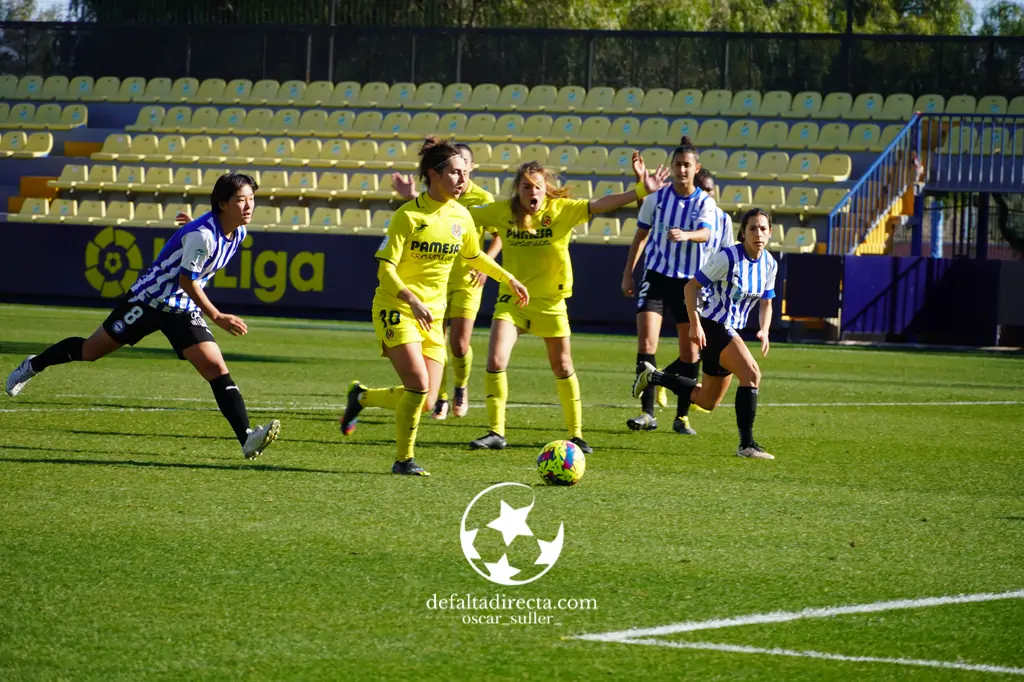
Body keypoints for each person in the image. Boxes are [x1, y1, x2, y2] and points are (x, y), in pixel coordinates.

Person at [4, 173, 281, 459]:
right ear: (222, 204)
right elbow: (188, 280)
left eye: (251, 199)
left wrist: (188, 235)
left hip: (182, 310)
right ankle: (34, 364)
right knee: (90, 351)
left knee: (215, 368)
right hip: (148, 301)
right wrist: (217, 315)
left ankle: (247, 437)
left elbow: (196, 260)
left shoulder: (234, 233)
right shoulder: (204, 236)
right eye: (241, 200)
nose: (249, 206)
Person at [340, 137, 528, 477]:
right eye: (454, 173)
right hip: (396, 308)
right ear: (434, 175)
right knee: (418, 385)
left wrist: (507, 278)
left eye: (464, 173)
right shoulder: (408, 216)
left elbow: (473, 255)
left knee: (425, 401)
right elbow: (385, 268)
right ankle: (403, 460)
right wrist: (411, 298)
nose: (462, 180)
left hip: (433, 313)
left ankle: (362, 398)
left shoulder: (462, 217)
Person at [467, 155, 669, 454]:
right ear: (517, 190)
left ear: (546, 189)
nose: (532, 192)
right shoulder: (501, 213)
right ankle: (496, 432)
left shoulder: (561, 210)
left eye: (537, 186)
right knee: (496, 361)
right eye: (525, 187)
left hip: (551, 303)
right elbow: (461, 215)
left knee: (562, 366)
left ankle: (576, 434)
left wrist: (640, 190)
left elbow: (602, 204)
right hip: (513, 301)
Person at [632, 208, 778, 460]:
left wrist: (764, 330)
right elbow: (691, 287)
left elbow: (767, 301)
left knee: (707, 401)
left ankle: (654, 376)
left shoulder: (769, 264)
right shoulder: (728, 258)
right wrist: (695, 324)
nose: (758, 233)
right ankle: (747, 445)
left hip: (729, 330)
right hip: (713, 325)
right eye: (752, 228)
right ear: (742, 233)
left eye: (763, 228)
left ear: (770, 233)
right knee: (752, 373)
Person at [390, 143, 501, 421]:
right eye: (455, 167)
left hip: (467, 279)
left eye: (465, 166)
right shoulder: (442, 196)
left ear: (472, 168)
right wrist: (411, 196)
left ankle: (460, 388)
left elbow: (497, 234)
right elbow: (429, 214)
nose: (460, 174)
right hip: (435, 282)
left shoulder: (481, 198)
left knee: (459, 344)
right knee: (434, 343)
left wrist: (488, 265)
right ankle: (439, 398)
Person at [619, 136, 718, 436]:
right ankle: (646, 413)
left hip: (689, 284)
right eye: (677, 165)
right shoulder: (656, 199)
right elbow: (640, 237)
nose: (681, 170)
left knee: (690, 354)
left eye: (687, 165)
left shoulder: (704, 201)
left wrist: (687, 236)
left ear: (696, 169)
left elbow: (706, 234)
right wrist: (628, 273)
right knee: (647, 344)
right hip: (657, 278)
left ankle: (682, 416)